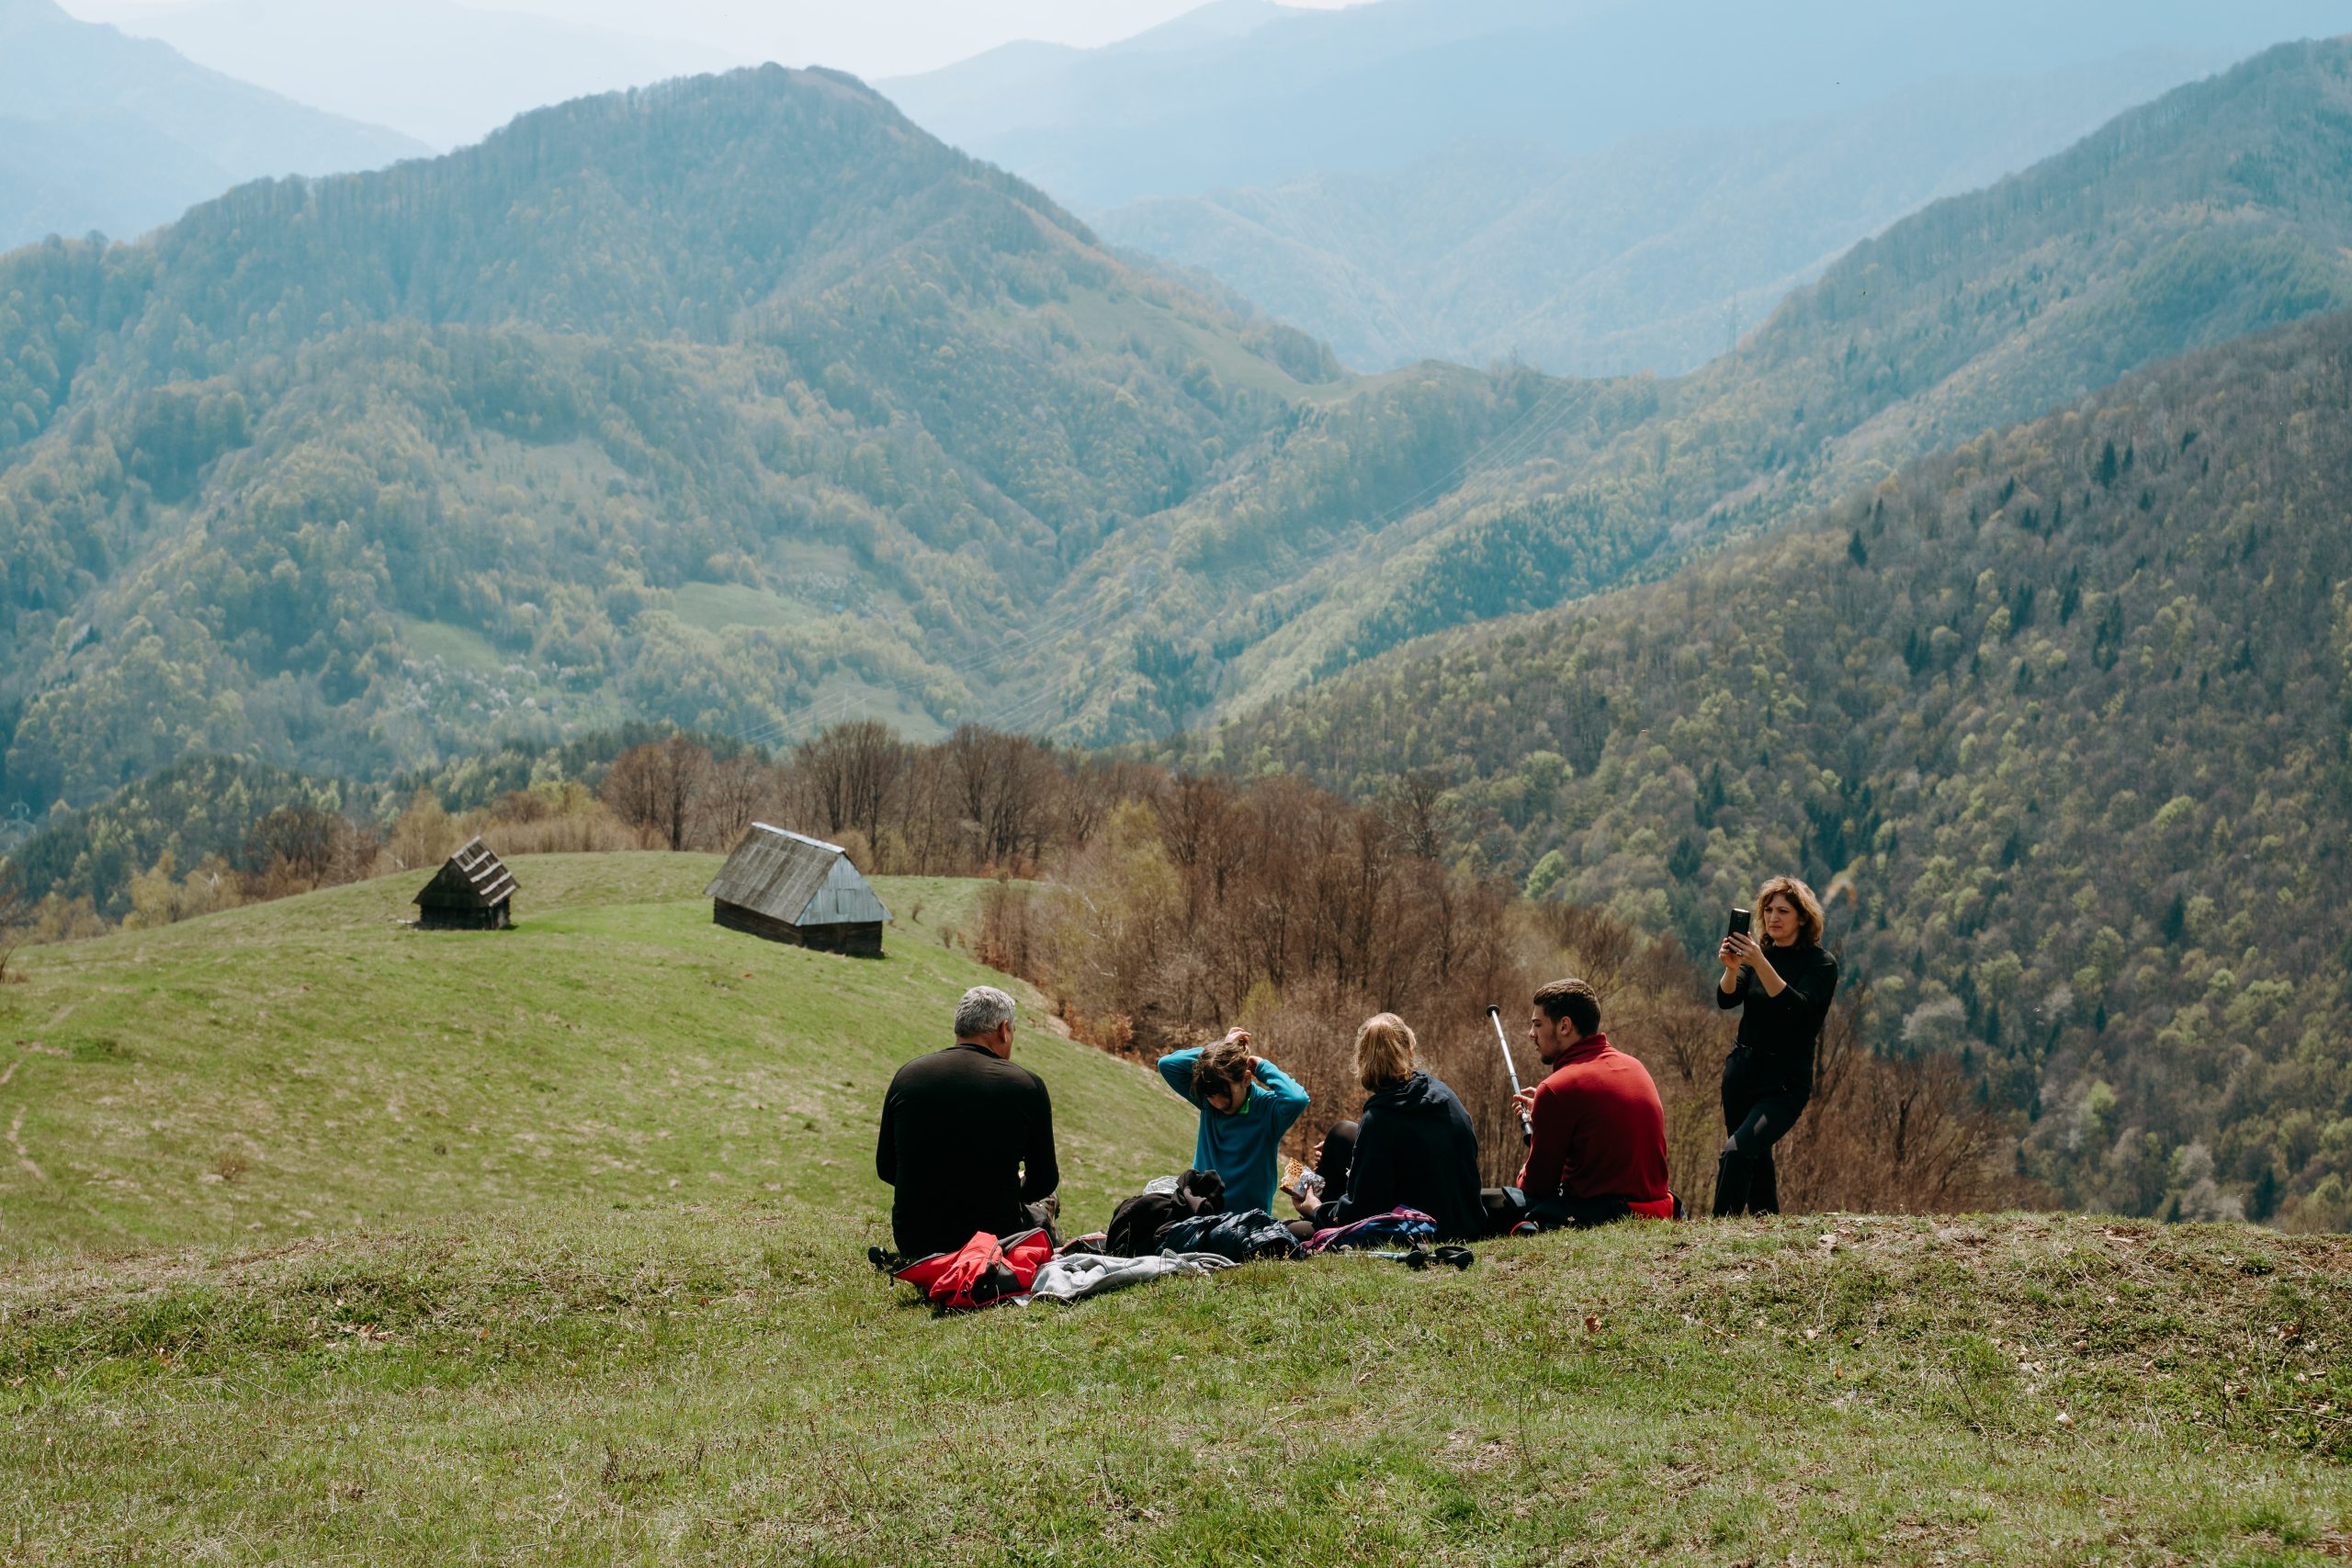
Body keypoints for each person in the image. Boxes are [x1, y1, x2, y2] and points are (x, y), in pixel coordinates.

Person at [875, 985, 1060, 1258]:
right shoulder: (1027, 1085)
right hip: (996, 1243)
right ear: (1003, 1029)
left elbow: (886, 1167)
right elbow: (1044, 1181)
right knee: (1048, 1202)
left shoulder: (908, 1076)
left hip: (916, 1241)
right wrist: (1007, 1188)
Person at [1286, 1013, 1484, 1242]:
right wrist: (1361, 1154)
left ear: (1362, 1060)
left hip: (1422, 1228)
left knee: (1289, 1230)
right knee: (1340, 1135)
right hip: (1465, 1218)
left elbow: (1363, 1212)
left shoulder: (1378, 1121)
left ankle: (1321, 1218)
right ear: (1409, 1049)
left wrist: (1316, 1210)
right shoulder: (1443, 1095)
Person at [1713, 874, 1840, 1216]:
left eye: (1783, 911)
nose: (1773, 917)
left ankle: (1714, 1233)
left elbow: (1797, 1009)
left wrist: (1759, 962)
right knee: (1755, 1162)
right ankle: (1765, 1230)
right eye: (1768, 910)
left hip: (1784, 1083)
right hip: (1742, 1073)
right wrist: (1731, 969)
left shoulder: (1821, 964)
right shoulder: (1759, 955)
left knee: (1737, 1151)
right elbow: (1727, 999)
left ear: (1803, 918)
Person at [1509, 977, 1674, 1227]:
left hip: (1607, 1215)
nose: (1531, 1034)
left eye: (1538, 1024)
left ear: (1564, 1026)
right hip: (1658, 1210)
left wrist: (1524, 1170)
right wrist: (1545, 1115)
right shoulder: (1635, 1066)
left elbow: (1537, 1186)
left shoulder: (1556, 1089)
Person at [1156, 1029, 1311, 1216]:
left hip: (1247, 1221)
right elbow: (1167, 1064)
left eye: (1225, 1095)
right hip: (1202, 1213)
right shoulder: (1206, 1100)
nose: (1218, 1103)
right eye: (1211, 1096)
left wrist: (1262, 1067)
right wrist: (1221, 1051)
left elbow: (1297, 1099)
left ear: (1246, 1079)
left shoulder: (1268, 1110)